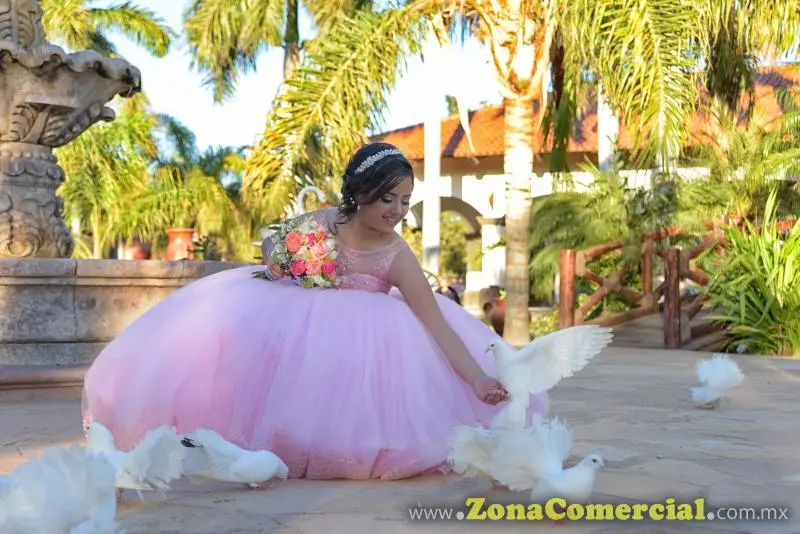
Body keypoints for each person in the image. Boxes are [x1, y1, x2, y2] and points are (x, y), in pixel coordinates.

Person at [81, 142, 549, 481]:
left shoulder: (397, 256)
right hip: (297, 317)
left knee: (343, 406)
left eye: (405, 201)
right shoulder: (327, 221)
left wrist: (477, 378)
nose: (397, 211)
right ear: (361, 193)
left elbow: (436, 324)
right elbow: (273, 243)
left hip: (365, 342)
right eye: (388, 199)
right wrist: (296, 260)